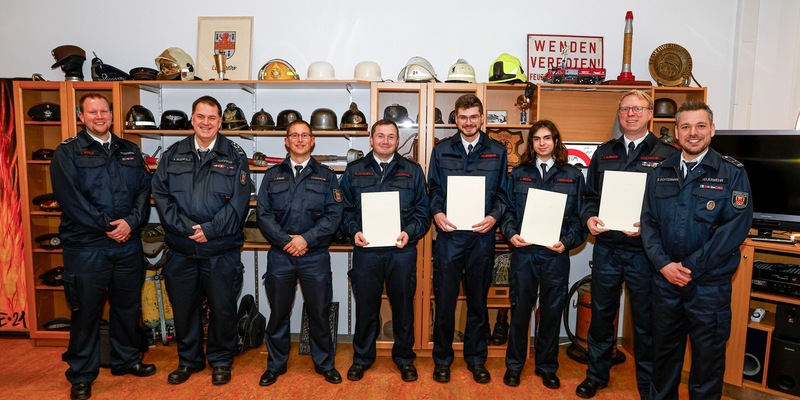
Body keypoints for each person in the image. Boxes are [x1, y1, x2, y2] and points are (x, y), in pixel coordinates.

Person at [641, 100, 752, 399]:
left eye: (700, 126)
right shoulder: (659, 171)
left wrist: (690, 268)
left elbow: (734, 230)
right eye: (686, 126)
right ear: (676, 132)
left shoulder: (732, 173)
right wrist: (664, 265)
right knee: (663, 360)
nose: (693, 133)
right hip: (665, 283)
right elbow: (648, 223)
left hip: (709, 287)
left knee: (707, 365)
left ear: (712, 130)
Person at [51, 93, 154, 400]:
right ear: (81, 117)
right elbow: (71, 200)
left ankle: (126, 359)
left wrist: (131, 223)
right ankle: (82, 373)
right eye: (92, 112)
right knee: (86, 311)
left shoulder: (129, 150)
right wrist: (108, 226)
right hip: (86, 246)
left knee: (127, 307)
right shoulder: (67, 152)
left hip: (127, 243)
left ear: (112, 114)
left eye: (104, 111)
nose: (99, 117)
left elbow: (142, 192)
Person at [577, 89, 679, 399]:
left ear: (650, 114)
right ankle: (597, 374)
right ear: (619, 115)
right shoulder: (604, 153)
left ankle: (648, 385)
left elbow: (674, 205)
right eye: (625, 109)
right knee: (601, 317)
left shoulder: (667, 154)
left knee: (646, 324)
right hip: (608, 249)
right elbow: (589, 197)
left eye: (637, 109)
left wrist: (648, 227)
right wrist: (588, 219)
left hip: (646, 255)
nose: (631, 114)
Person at [151, 95, 250, 386]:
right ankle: (189, 360)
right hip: (182, 249)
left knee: (222, 308)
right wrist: (186, 228)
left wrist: (210, 230)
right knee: (184, 307)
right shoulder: (172, 154)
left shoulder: (235, 155)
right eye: (201, 117)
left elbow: (239, 203)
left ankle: (220, 360)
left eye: (212, 118)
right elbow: (162, 197)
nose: (206, 123)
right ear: (192, 119)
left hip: (220, 249)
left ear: (220, 122)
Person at [339, 119, 430, 382]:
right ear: (371, 139)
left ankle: (404, 358)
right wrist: (353, 230)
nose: (386, 141)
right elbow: (344, 209)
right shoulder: (354, 171)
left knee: (403, 307)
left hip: (401, 251)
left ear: (397, 140)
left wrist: (409, 232)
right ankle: (362, 358)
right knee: (366, 307)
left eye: (391, 137)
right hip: (366, 251)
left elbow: (422, 213)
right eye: (380, 136)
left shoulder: (412, 171)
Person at [427, 93, 510, 384]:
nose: (469, 122)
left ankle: (477, 359)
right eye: (463, 117)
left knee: (477, 302)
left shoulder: (497, 151)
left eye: (474, 116)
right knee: (446, 302)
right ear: (456, 119)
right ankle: (442, 359)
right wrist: (437, 213)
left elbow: (503, 193)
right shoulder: (441, 150)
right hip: (449, 237)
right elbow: (433, 188)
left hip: (481, 237)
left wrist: (494, 217)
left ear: (482, 117)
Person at [499, 120, 587, 389]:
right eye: (536, 138)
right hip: (525, 253)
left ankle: (547, 366)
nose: (542, 143)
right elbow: (508, 211)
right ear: (531, 143)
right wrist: (510, 233)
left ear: (556, 141)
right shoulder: (518, 174)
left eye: (547, 138)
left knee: (550, 312)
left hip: (555, 254)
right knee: (520, 310)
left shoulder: (573, 175)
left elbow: (580, 219)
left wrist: (567, 241)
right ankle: (514, 366)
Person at [256, 119, 344, 386]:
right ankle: (275, 365)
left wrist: (305, 239)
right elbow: (263, 215)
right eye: (294, 135)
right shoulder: (272, 176)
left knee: (318, 311)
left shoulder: (328, 176)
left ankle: (325, 363)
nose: (300, 139)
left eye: (305, 135)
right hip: (281, 255)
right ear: (286, 141)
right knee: (279, 312)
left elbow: (334, 215)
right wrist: (287, 241)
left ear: (313, 140)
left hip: (314, 255)